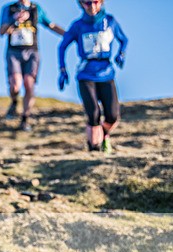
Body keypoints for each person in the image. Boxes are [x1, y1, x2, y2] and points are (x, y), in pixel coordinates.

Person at [58, 0, 128, 153]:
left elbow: (124, 39)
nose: (92, 6)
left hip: (106, 73)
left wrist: (121, 54)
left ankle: (104, 134)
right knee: (93, 114)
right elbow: (62, 46)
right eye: (87, 3)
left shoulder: (110, 21)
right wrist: (63, 70)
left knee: (112, 116)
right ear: (81, 4)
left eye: (95, 2)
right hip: (86, 74)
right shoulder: (78, 26)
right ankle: (93, 148)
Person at [0, 0, 65, 131]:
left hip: (32, 52)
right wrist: (14, 19)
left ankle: (25, 118)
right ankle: (14, 102)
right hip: (14, 52)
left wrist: (69, 35)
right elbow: (2, 31)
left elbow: (50, 25)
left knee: (29, 84)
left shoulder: (36, 9)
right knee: (15, 85)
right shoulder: (9, 9)